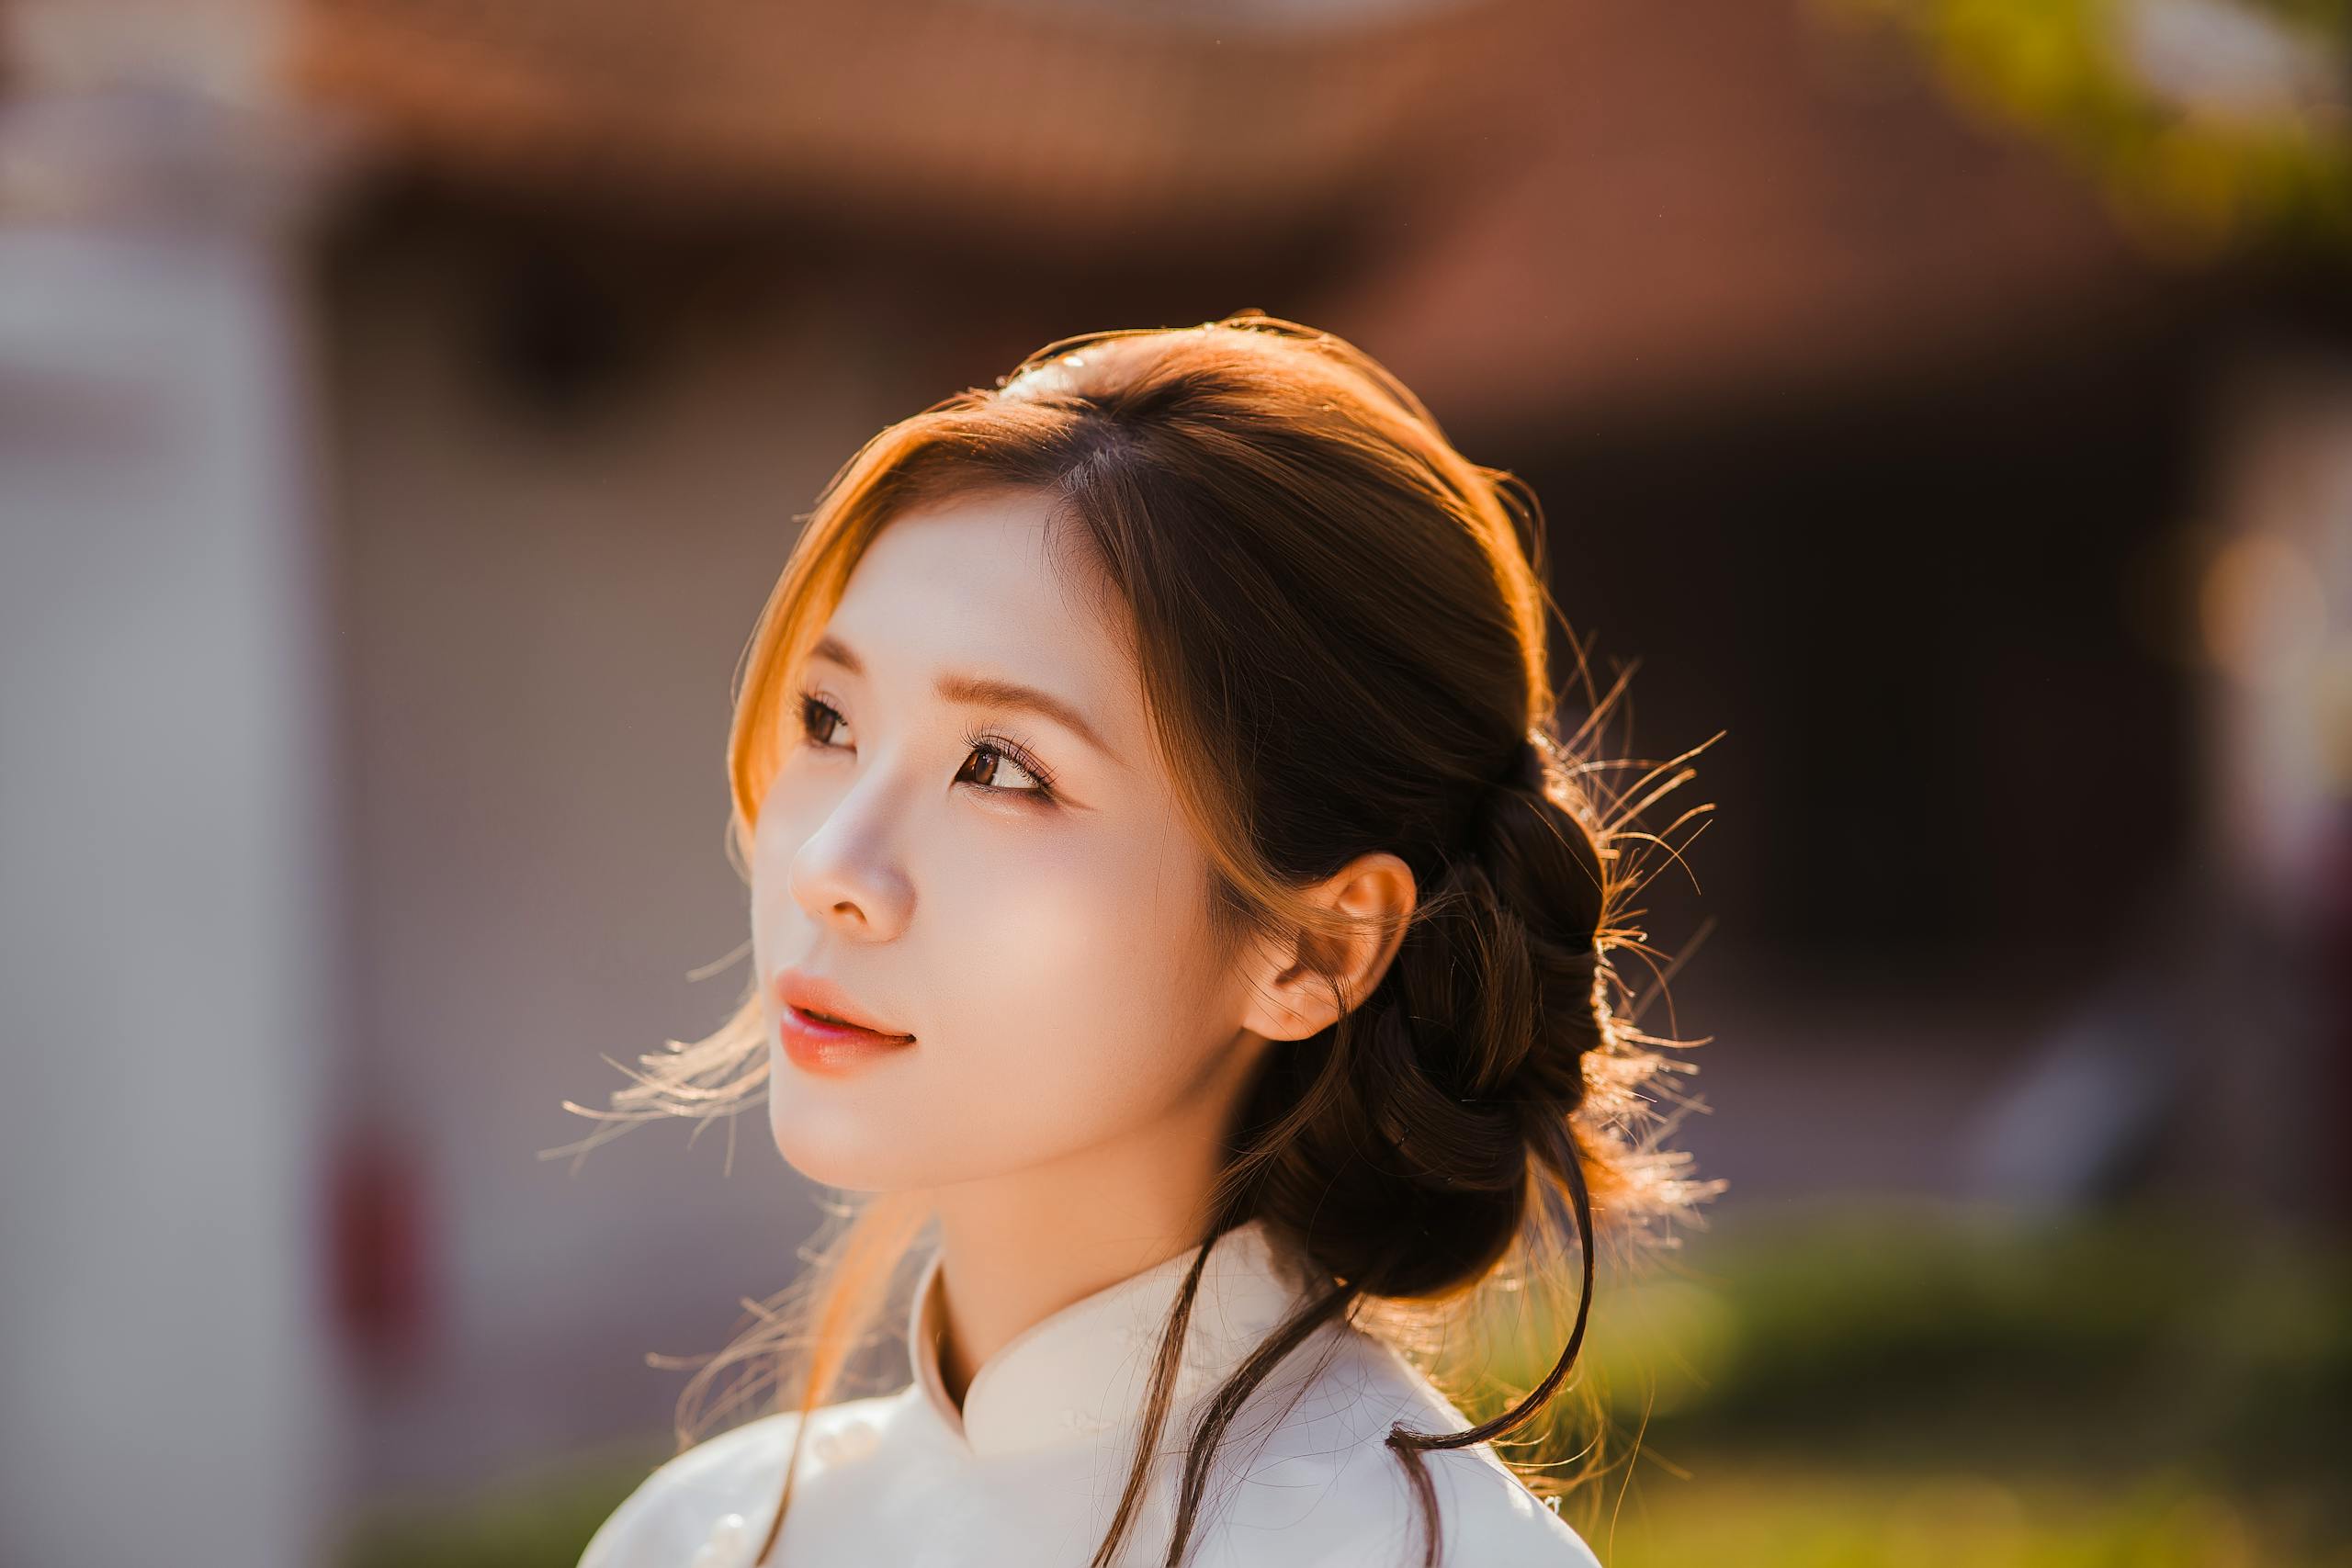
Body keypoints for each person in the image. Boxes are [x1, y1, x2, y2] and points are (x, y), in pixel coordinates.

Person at [564, 311, 1722, 1567]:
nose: (833, 866)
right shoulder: (699, 1543)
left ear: (1318, 949)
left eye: (1000, 767)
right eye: (829, 718)